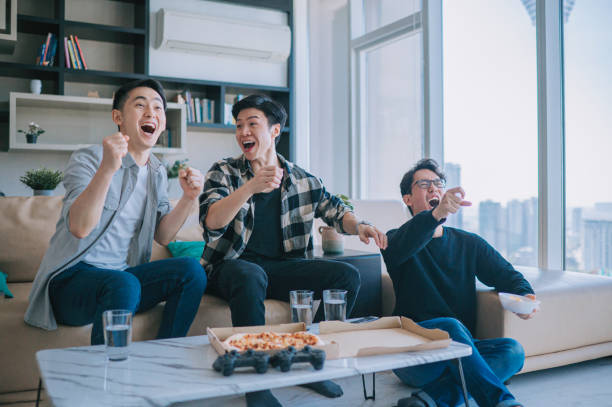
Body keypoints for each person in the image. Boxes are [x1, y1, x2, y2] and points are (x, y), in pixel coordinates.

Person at [199, 94, 388, 407]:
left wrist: (360, 226)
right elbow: (212, 221)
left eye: (252, 123)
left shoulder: (303, 180)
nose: (243, 131)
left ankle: (312, 362)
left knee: (346, 276)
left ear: (275, 131)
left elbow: (336, 212)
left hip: (281, 269)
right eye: (239, 125)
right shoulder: (224, 172)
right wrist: (250, 188)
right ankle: (255, 384)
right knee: (250, 276)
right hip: (231, 267)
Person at [25, 79, 207, 346]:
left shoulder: (156, 172)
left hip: (123, 278)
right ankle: (109, 380)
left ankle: (165, 357)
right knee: (123, 284)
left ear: (163, 123)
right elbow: (80, 227)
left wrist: (190, 199)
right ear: (118, 117)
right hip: (71, 280)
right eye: (140, 105)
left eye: (158, 108)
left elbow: (164, 237)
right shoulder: (89, 158)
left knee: (191, 271)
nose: (151, 113)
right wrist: (108, 168)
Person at [381, 158, 536, 407]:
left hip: (461, 352)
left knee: (513, 351)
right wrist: (435, 215)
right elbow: (401, 247)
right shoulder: (395, 240)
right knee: (449, 326)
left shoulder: (469, 243)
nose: (433, 188)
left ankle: (429, 400)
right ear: (407, 199)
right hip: (413, 355)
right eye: (423, 184)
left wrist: (525, 296)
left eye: (438, 183)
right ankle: (502, 402)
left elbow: (507, 275)